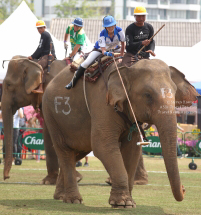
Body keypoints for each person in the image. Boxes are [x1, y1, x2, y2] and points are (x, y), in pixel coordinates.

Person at [65, 15, 125, 89]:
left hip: (116, 48)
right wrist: (107, 54)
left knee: (130, 55)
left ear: (115, 25)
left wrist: (122, 56)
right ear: (105, 27)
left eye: (112, 25)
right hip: (99, 50)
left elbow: (123, 44)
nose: (111, 27)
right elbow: (103, 51)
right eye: (108, 26)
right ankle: (72, 82)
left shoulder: (119, 30)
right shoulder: (102, 34)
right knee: (86, 63)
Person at [28, 20, 56, 94]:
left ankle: (40, 87)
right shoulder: (44, 35)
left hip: (48, 56)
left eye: (40, 28)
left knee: (38, 66)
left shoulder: (44, 34)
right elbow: (42, 48)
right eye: (38, 28)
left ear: (44, 27)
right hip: (46, 55)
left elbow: (40, 48)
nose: (39, 30)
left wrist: (32, 56)